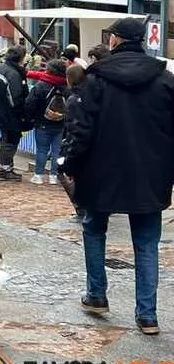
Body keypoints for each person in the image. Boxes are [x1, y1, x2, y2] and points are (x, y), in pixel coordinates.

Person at [59, 18, 174, 336]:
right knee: (147, 243)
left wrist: (70, 164)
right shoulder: (165, 80)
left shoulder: (95, 81)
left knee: (94, 230)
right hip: (151, 174)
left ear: (115, 42)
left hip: (101, 171)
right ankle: (147, 314)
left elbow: (80, 129)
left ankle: (97, 295)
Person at [0, 45, 28, 181]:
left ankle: (5, 167)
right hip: (9, 114)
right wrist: (22, 112)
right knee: (10, 141)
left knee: (6, 140)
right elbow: (15, 98)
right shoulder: (13, 74)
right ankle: (5, 170)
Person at [24, 58, 67, 185]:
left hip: (42, 122)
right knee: (56, 151)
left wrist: (30, 117)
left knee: (42, 150)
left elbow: (30, 103)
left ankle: (38, 175)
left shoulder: (41, 85)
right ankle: (54, 176)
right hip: (60, 124)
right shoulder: (66, 86)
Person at [58, 63, 88, 222]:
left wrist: (68, 148)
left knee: (65, 174)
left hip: (76, 143)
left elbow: (73, 127)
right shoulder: (89, 94)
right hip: (85, 142)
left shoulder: (74, 99)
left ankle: (81, 207)